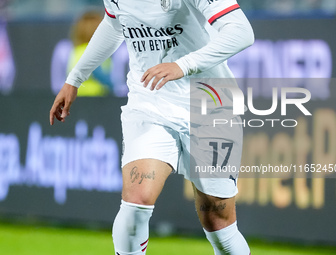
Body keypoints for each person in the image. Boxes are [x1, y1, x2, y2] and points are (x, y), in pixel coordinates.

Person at [50, 0, 254, 254]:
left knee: (217, 220)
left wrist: (183, 65)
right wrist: (75, 79)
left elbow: (242, 32)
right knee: (137, 200)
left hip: (209, 103)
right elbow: (114, 24)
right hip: (149, 102)